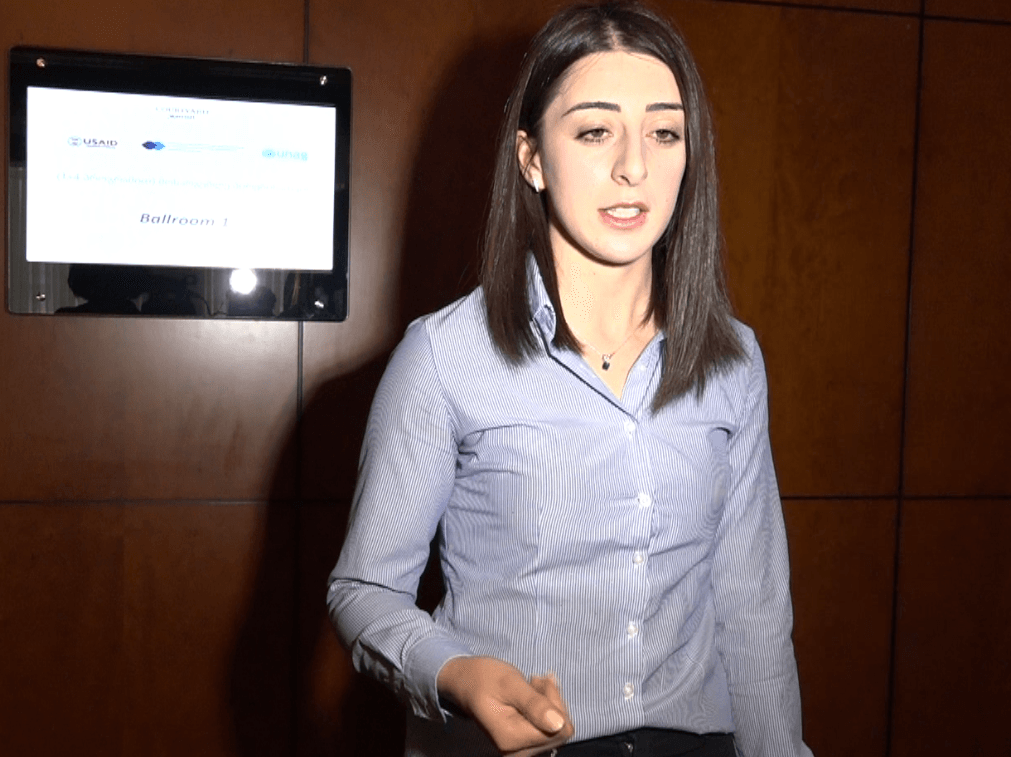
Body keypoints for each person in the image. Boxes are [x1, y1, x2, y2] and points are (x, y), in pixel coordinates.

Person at [327, 2, 814, 756]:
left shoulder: (733, 360)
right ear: (531, 158)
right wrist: (455, 674)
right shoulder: (444, 356)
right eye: (594, 131)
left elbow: (753, 612)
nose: (634, 166)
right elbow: (364, 593)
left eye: (664, 133)